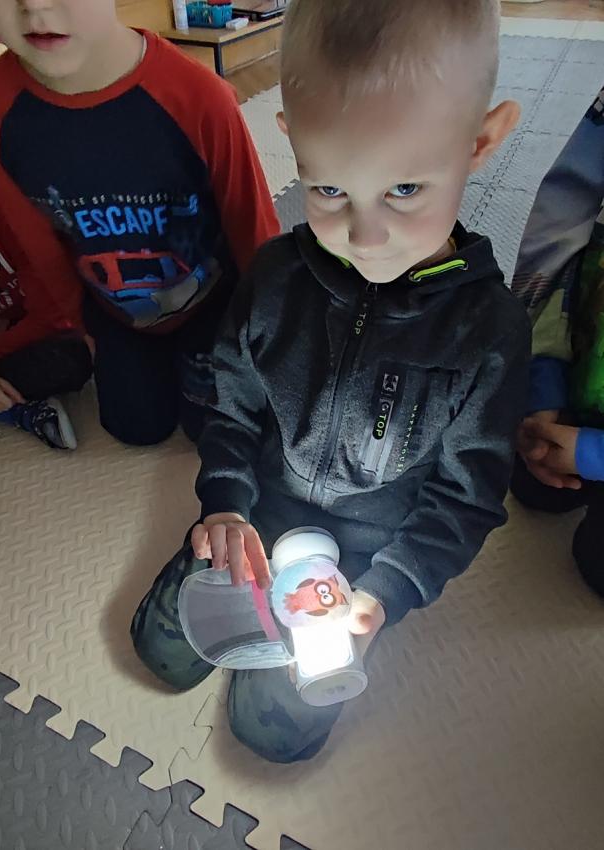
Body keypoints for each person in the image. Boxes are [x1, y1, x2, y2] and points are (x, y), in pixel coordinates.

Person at [131, 0, 530, 763]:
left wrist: (386, 591)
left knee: (273, 733)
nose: (363, 235)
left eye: (404, 189)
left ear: (479, 143)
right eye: (328, 190)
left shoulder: (489, 331)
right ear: (294, 144)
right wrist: (225, 505)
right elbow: (231, 406)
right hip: (258, 515)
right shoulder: (274, 277)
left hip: (363, 557)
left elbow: (465, 498)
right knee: (162, 653)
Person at [0, 0, 279, 447]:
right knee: (136, 429)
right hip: (113, 312)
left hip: (213, 303)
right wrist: (81, 325)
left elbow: (253, 226)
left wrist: (267, 331)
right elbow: (36, 243)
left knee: (217, 432)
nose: (34, 4)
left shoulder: (199, 95)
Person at [511, 86, 604, 597]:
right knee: (530, 476)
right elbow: (557, 238)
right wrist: (544, 394)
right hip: (589, 373)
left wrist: (591, 454)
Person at [0, 153, 91, 448]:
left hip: (35, 322)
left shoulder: (5, 205)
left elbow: (52, 313)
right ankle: (10, 407)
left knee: (72, 357)